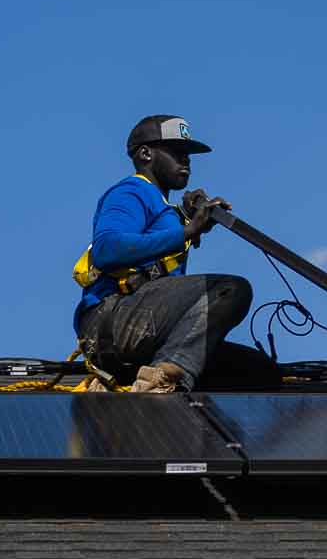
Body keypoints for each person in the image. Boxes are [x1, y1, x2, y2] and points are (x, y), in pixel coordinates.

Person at [72, 115, 274, 393]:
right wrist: (188, 231)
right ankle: (160, 380)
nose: (186, 161)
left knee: (260, 372)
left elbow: (157, 244)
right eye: (177, 153)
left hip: (145, 333)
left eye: (188, 154)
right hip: (112, 322)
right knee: (230, 289)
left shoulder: (165, 209)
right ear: (145, 154)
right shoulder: (131, 192)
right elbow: (107, 250)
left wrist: (186, 216)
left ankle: (161, 374)